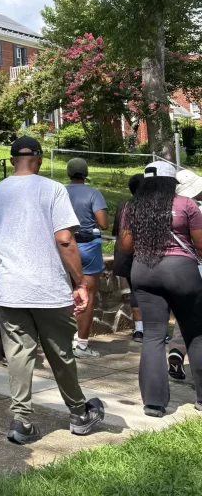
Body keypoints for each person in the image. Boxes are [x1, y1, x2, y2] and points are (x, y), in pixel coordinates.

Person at [0, 136, 105, 444]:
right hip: (48, 288)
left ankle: (21, 421)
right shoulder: (53, 190)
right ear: (39, 159)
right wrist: (81, 281)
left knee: (18, 354)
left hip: (10, 290)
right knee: (60, 352)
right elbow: (64, 239)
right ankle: (78, 413)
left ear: (12, 159)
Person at [117, 161, 202, 417]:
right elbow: (200, 244)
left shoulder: (132, 207)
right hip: (181, 271)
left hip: (144, 270)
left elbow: (126, 246)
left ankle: (153, 403)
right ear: (171, 182)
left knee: (153, 336)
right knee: (195, 334)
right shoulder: (186, 204)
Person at [64, 158, 109, 359]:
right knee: (87, 295)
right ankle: (81, 344)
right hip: (89, 246)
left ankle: (61, 341)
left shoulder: (59, 191)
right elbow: (103, 223)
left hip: (64, 246)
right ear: (86, 173)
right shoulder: (93, 193)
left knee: (64, 293)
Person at [168, 168, 202, 379]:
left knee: (185, 317)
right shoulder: (195, 210)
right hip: (198, 266)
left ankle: (176, 351)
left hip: (181, 269)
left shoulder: (174, 209)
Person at [111, 174, 144, 343]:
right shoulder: (149, 206)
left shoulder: (123, 205)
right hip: (144, 256)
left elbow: (117, 231)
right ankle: (148, 329)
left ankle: (139, 330)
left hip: (125, 255)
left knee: (135, 290)